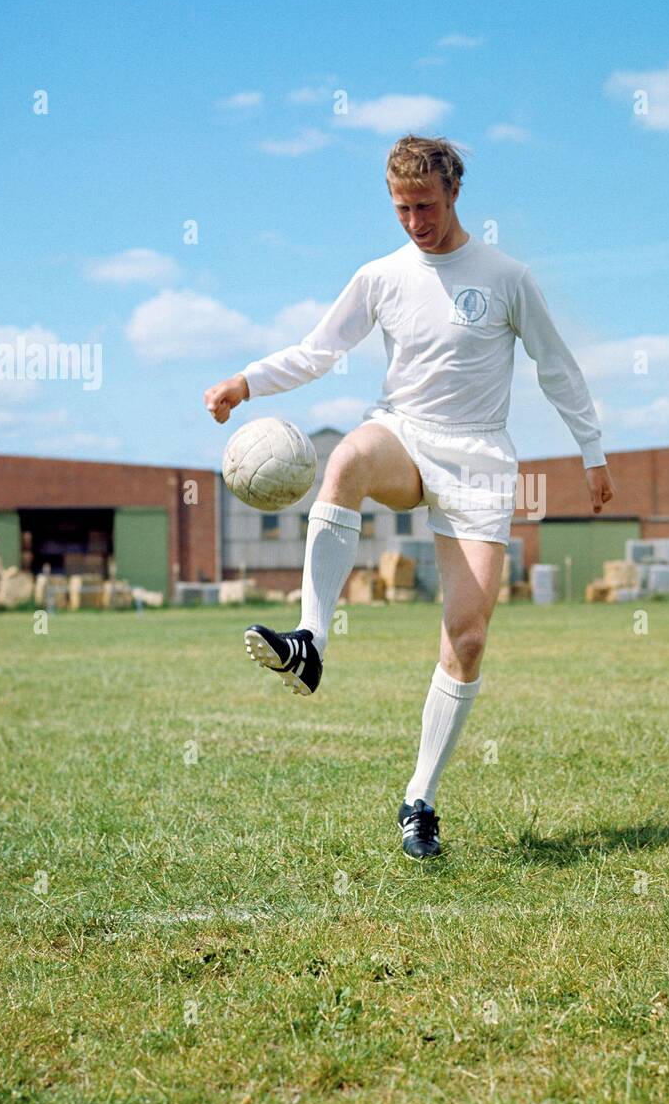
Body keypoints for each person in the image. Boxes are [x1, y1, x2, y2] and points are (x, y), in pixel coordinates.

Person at [203, 135, 613, 858]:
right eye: (401, 209)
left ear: (453, 194)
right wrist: (248, 381)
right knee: (350, 457)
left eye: (425, 206)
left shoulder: (506, 276)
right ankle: (310, 642)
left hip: (480, 458)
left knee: (469, 637)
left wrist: (592, 450)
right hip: (407, 433)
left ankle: (419, 799)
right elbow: (319, 348)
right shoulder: (380, 275)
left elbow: (556, 366)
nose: (416, 221)